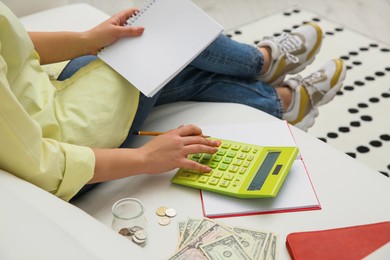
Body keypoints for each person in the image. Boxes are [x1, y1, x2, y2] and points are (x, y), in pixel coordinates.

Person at [0, 3, 346, 201]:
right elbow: (40, 164)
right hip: (70, 138)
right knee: (161, 34)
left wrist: (86, 40)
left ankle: (278, 99)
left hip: (48, 92)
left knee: (163, 53)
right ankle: (262, 66)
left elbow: (10, 42)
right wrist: (143, 158)